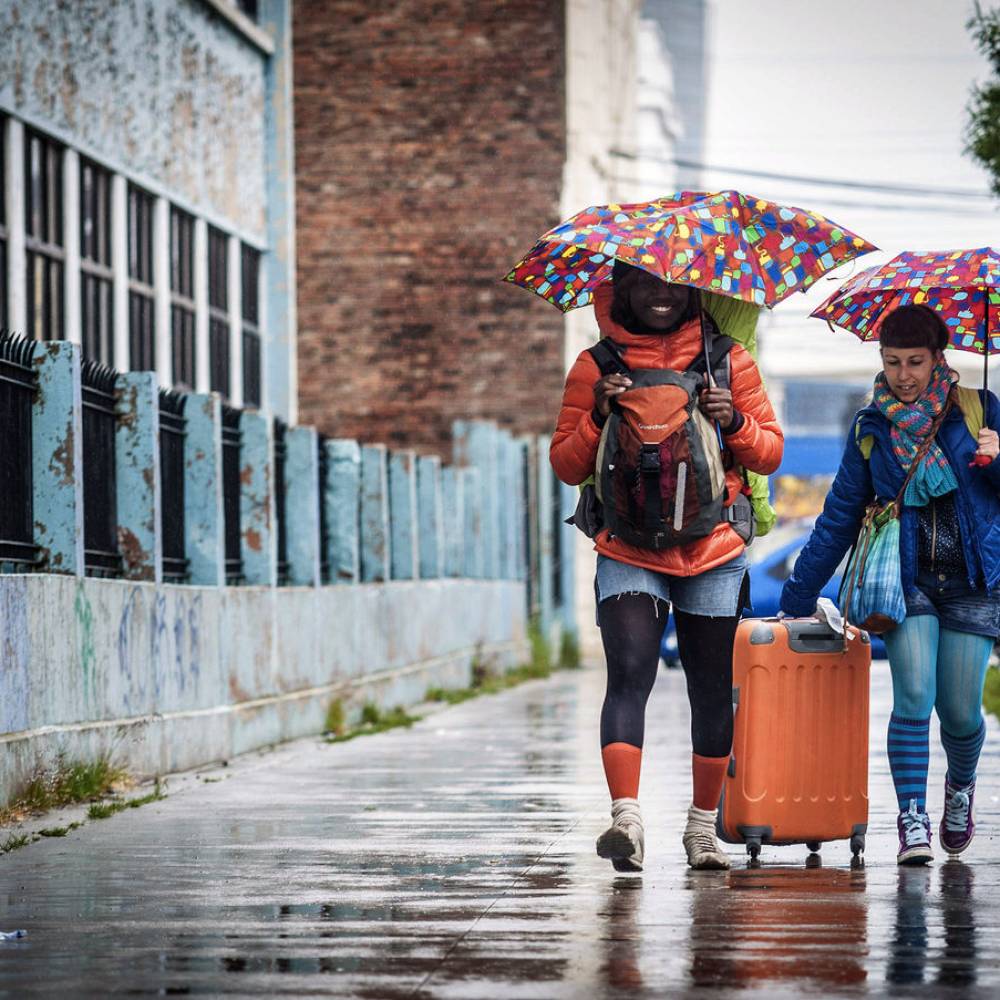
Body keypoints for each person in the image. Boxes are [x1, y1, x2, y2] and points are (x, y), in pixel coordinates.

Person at [550, 261, 783, 871]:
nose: (660, 294)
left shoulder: (729, 361)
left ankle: (701, 831)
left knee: (711, 691)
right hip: (627, 547)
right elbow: (567, 465)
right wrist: (599, 415)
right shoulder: (596, 366)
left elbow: (770, 451)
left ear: (695, 290)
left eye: (674, 283)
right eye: (646, 282)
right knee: (628, 677)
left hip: (714, 551)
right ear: (621, 289)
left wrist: (733, 419)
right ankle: (627, 819)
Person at [780, 304, 1000, 864]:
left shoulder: (978, 410)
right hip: (908, 582)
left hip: (973, 581)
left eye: (915, 362)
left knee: (960, 713)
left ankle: (958, 790)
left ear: (938, 360)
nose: (903, 374)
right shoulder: (870, 428)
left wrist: (995, 460)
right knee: (914, 698)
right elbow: (839, 516)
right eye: (893, 361)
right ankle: (912, 819)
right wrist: (797, 597)